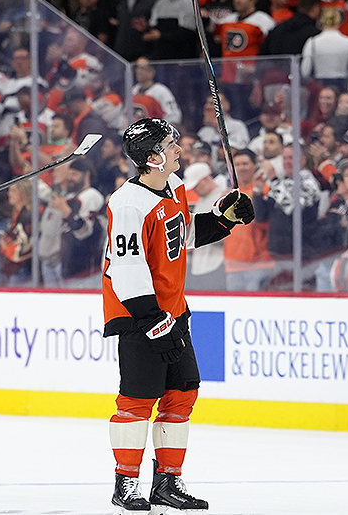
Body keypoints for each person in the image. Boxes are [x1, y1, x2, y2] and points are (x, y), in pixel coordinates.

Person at [104, 117, 253, 513]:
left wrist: (223, 219)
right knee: (137, 400)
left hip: (173, 311)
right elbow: (126, 268)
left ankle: (167, 482)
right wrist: (153, 321)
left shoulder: (172, 186)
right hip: (140, 316)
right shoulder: (128, 203)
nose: (179, 150)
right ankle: (126, 484)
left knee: (183, 392)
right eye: (171, 146)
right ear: (152, 158)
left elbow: (181, 235)